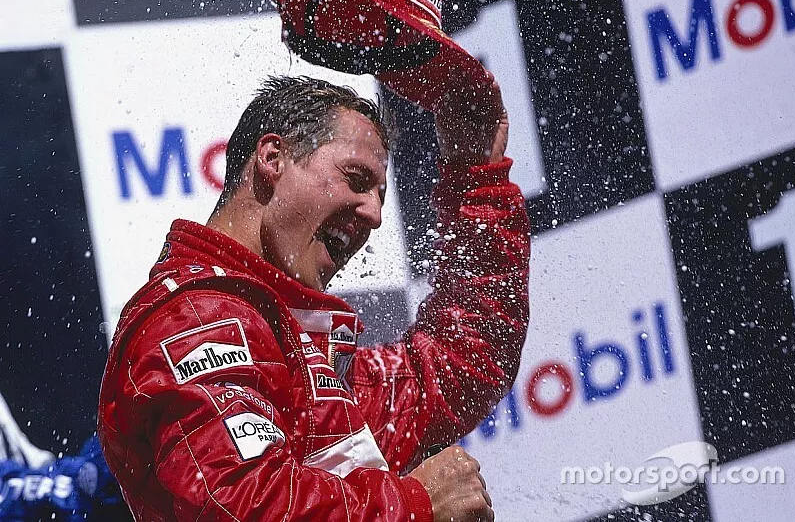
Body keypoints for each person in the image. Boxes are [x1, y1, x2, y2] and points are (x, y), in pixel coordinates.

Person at [98, 75, 530, 521]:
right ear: (272, 159)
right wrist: (415, 504)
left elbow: (452, 369)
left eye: (380, 196)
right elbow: (242, 503)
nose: (375, 215)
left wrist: (479, 174)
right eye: (356, 179)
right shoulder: (196, 319)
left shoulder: (290, 348)